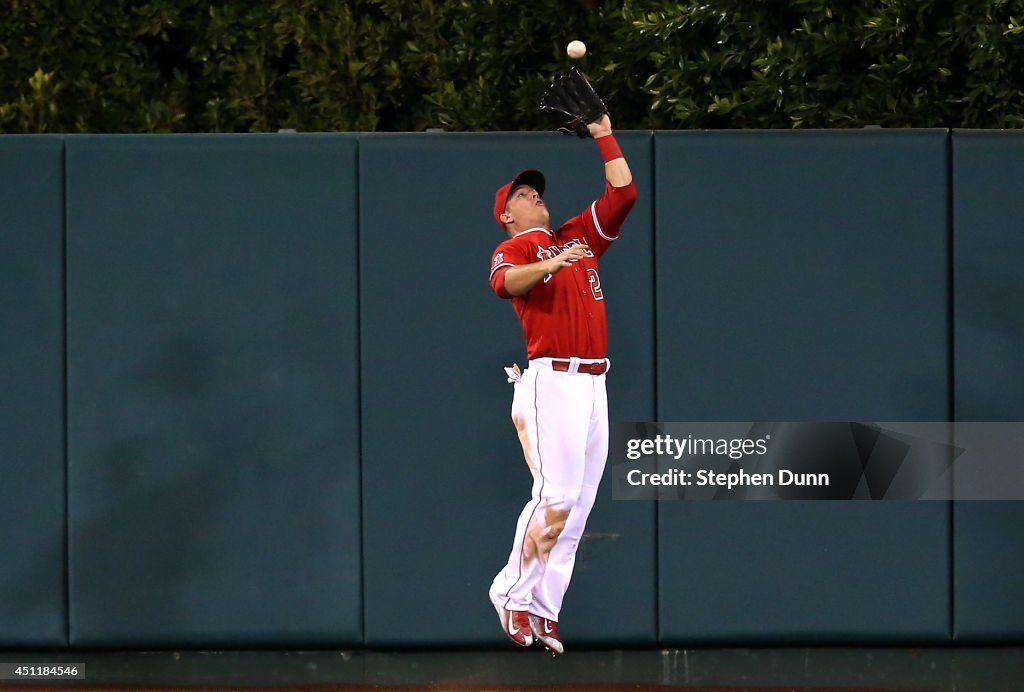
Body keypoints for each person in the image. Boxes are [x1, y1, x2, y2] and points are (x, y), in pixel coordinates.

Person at [487, 113, 637, 655]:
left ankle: (545, 610)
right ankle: (511, 594)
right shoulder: (520, 249)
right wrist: (552, 265)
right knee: (555, 496)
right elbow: (505, 285)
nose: (535, 196)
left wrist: (603, 133)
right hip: (551, 380)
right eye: (524, 194)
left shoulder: (576, 237)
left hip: (594, 383)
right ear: (508, 214)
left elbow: (624, 192)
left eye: (537, 191)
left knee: (578, 507)